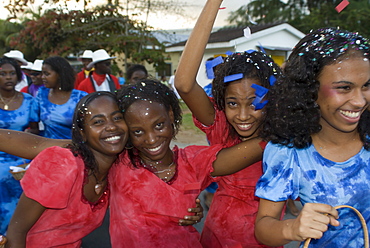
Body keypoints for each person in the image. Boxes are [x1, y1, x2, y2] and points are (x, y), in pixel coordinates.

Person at [174, 0, 282, 247]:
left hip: (268, 238)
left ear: (271, 99)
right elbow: (184, 83)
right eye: (233, 103)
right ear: (222, 102)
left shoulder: (284, 131)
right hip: (219, 236)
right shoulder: (220, 125)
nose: (243, 115)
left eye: (255, 103)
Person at [109, 79, 264, 247]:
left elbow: (245, 153)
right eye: (137, 131)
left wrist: (283, 126)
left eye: (159, 125)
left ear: (170, 116)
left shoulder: (192, 162)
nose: (151, 139)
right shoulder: (118, 164)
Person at [254, 27, 370, 247]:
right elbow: (263, 228)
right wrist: (293, 227)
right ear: (309, 89)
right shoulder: (289, 154)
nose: (359, 101)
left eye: (367, 85)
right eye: (344, 88)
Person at [4, 91, 128, 247]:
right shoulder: (62, 163)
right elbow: (16, 232)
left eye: (117, 118)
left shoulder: (118, 168)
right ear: (82, 133)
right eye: (98, 122)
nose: (111, 127)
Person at [0, 57, 38, 234]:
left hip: (21, 166)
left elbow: (37, 133)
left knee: (21, 215)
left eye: (12, 73)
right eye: (3, 74)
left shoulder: (30, 101)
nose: (8, 77)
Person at [30, 56, 88, 139]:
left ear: (60, 74)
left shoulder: (80, 97)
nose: (42, 77)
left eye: (47, 74)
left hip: (74, 147)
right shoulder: (42, 94)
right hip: (49, 147)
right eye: (42, 73)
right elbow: (33, 123)